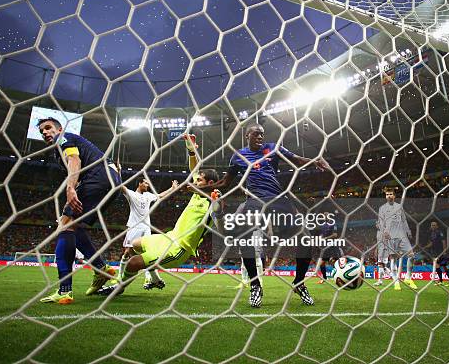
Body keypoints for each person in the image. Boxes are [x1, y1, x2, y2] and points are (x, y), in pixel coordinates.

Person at [205, 124, 330, 307]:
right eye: (256, 134)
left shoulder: (272, 148)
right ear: (247, 135)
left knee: (305, 238)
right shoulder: (238, 156)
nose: (260, 137)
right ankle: (255, 285)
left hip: (279, 199)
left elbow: (296, 159)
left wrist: (315, 161)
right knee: (244, 239)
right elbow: (225, 182)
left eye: (262, 134)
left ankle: (299, 283)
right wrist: (199, 187)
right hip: (254, 200)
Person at [96, 134, 220, 297]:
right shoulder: (198, 193)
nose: (196, 182)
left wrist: (211, 197)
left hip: (179, 248)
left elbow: (219, 212)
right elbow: (195, 169)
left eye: (200, 181)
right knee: (135, 244)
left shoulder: (213, 202)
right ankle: (153, 278)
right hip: (168, 238)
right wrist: (191, 149)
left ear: (210, 184)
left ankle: (119, 286)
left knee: (133, 263)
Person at [36, 117, 121, 305]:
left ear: (58, 129)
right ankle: (101, 269)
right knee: (74, 225)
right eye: (42, 131)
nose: (45, 132)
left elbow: (75, 159)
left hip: (99, 177)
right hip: (111, 180)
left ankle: (65, 290)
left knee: (64, 226)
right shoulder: (63, 147)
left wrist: (70, 188)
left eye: (48, 128)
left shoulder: (64, 138)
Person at [119, 177, 178, 290]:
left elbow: (160, 195)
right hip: (134, 227)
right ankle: (119, 276)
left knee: (148, 253)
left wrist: (172, 188)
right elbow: (121, 187)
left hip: (146, 228)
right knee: (127, 252)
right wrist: (117, 173)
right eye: (145, 183)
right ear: (139, 183)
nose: (147, 185)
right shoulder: (132, 195)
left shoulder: (148, 196)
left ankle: (149, 278)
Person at [378, 188, 417, 291]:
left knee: (411, 256)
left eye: (391, 194)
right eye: (387, 194)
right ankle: (396, 282)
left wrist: (408, 230)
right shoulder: (382, 208)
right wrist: (384, 232)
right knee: (393, 259)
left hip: (401, 235)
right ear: (385, 196)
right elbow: (381, 223)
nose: (389, 196)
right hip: (390, 236)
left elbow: (404, 220)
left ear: (394, 196)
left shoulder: (399, 207)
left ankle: (408, 278)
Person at [424, 220, 449, 286]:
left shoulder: (440, 232)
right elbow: (432, 243)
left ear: (437, 226)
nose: (433, 226)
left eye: (434, 225)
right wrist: (426, 247)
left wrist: (444, 251)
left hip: (441, 252)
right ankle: (441, 281)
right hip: (435, 252)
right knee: (437, 266)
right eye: (432, 225)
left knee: (445, 267)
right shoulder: (432, 234)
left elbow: (443, 241)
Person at [315, 214, 343, 284]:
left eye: (326, 215)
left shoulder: (333, 224)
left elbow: (335, 235)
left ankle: (341, 277)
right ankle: (324, 278)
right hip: (326, 247)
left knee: (335, 263)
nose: (325, 216)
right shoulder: (323, 225)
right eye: (324, 215)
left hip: (333, 246)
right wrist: (321, 237)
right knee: (321, 264)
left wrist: (326, 238)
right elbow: (322, 234)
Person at [374, 220, 392, 286]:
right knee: (381, 266)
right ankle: (389, 275)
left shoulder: (385, 231)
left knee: (381, 265)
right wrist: (376, 249)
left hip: (384, 250)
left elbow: (389, 240)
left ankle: (391, 275)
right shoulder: (378, 232)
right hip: (380, 250)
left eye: (377, 224)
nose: (376, 225)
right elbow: (378, 242)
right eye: (376, 224)